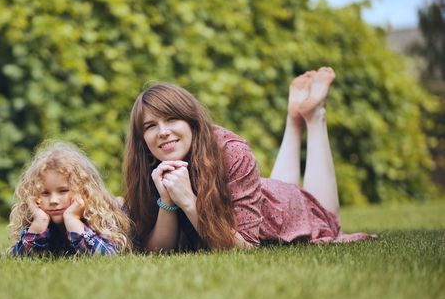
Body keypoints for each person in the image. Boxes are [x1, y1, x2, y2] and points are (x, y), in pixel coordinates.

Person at [123, 67, 377, 252]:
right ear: (142, 137)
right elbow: (157, 252)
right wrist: (167, 200)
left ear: (191, 122)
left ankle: (314, 117)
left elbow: (245, 247)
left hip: (288, 209)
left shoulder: (230, 150)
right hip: (264, 196)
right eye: (150, 126)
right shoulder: (148, 167)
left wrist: (188, 201)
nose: (163, 132)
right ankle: (294, 117)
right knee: (273, 190)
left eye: (171, 119)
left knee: (329, 219)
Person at [9, 142, 131, 256]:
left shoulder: (100, 218)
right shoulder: (39, 218)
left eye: (63, 191)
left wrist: (72, 220)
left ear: (84, 190)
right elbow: (18, 257)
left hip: (122, 210)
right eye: (45, 193)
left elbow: (106, 255)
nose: (53, 200)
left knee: (121, 204)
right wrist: (39, 221)